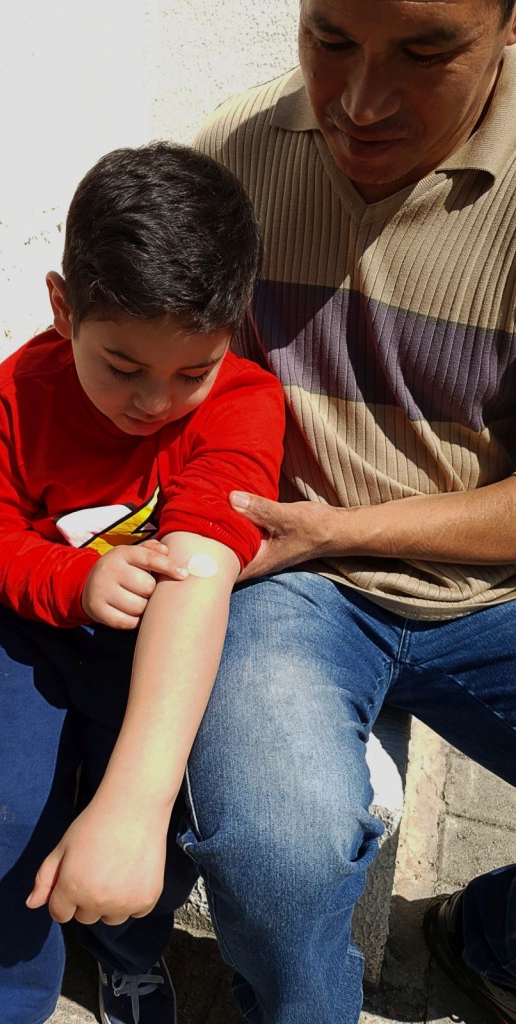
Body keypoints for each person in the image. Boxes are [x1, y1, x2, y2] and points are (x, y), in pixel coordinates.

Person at [181, 0, 516, 1021]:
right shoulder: (233, 153)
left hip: (485, 583)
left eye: (423, 52)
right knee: (276, 848)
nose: (360, 103)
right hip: (291, 583)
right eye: (329, 40)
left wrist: (341, 526)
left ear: (506, 25)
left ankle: (488, 935)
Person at [0, 141, 285, 1024]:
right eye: (123, 368)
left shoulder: (247, 402)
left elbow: (209, 542)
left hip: (157, 663)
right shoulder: (19, 391)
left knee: (157, 830)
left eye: (190, 373)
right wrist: (76, 583)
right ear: (63, 309)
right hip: (35, 641)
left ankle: (129, 954)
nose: (154, 403)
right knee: (3, 815)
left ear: (234, 330)